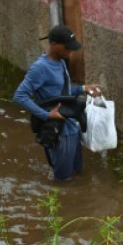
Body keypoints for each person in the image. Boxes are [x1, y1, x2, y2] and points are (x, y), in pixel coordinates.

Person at [13, 24, 102, 181]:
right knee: (62, 181)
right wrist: (47, 115)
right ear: (54, 44)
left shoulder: (60, 61)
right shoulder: (40, 68)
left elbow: (63, 92)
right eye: (67, 48)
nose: (70, 51)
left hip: (71, 127)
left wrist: (83, 88)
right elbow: (20, 96)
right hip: (58, 132)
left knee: (76, 172)